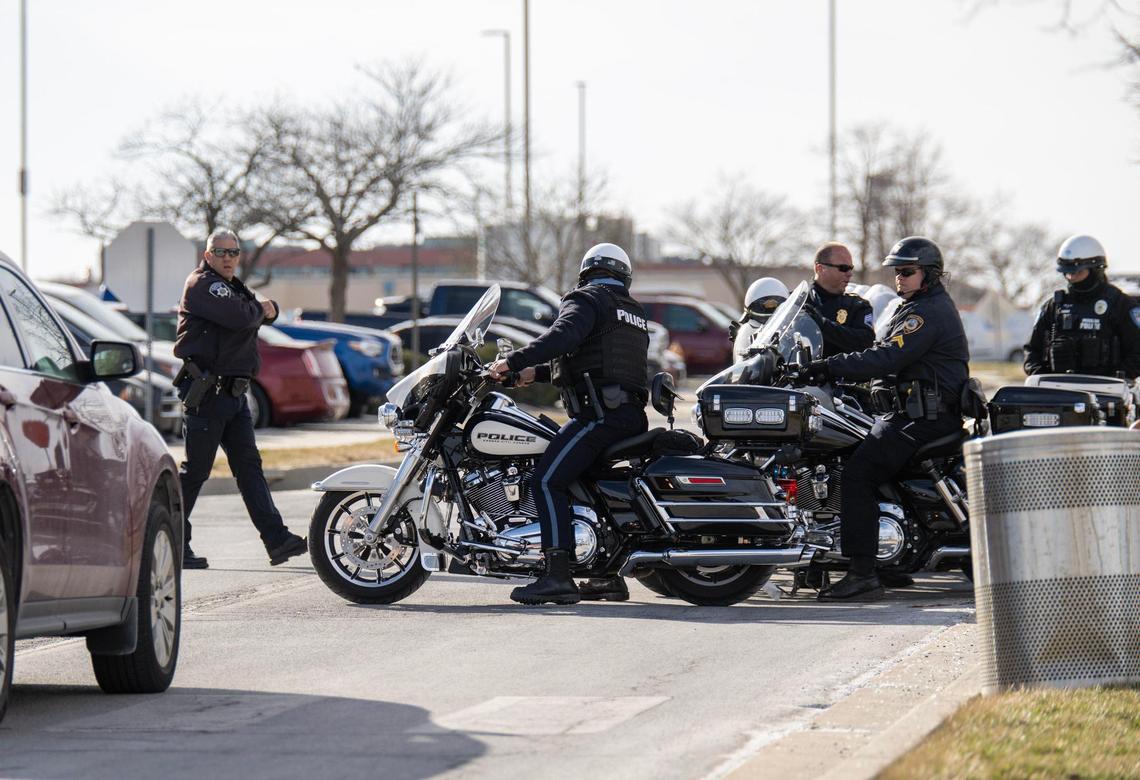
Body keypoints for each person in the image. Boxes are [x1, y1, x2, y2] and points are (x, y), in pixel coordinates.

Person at [801, 237, 969, 601]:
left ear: (929, 274)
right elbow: (882, 356)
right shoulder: (917, 306)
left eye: (907, 272)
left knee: (859, 473)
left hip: (923, 419)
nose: (899, 278)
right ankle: (886, 561)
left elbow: (886, 357)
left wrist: (825, 367)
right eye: (897, 272)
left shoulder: (926, 312)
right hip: (912, 414)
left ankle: (863, 573)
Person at [488, 243, 650, 605]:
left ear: (586, 271)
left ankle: (557, 576)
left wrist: (511, 361)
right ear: (623, 276)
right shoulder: (630, 311)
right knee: (585, 485)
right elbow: (591, 361)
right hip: (627, 415)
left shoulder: (588, 298)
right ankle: (606, 574)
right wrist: (536, 372)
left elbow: (563, 337)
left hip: (600, 416)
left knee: (546, 479)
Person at [173, 228, 308, 570]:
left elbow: (268, 311)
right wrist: (258, 310)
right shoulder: (204, 284)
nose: (229, 258)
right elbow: (243, 316)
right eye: (221, 252)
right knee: (195, 473)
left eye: (234, 252)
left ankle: (277, 540)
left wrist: (262, 309)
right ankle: (174, 542)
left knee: (250, 470)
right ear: (208, 255)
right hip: (207, 395)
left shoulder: (232, 286)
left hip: (234, 396)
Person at [1023, 234, 1140, 379]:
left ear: (1096, 269)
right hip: (1060, 391)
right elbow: (1032, 350)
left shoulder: (1121, 304)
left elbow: (1137, 352)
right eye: (1067, 272)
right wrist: (1043, 377)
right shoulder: (1055, 306)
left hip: (1109, 392)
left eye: (1078, 272)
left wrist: (1116, 379)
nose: (1071, 278)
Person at [807, 242, 875, 357]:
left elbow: (866, 342)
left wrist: (823, 325)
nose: (850, 274)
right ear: (820, 268)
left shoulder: (857, 305)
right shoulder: (797, 301)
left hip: (837, 373)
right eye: (843, 268)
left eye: (851, 268)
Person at [729, 277, 789, 361]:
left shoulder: (792, 331)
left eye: (776, 305)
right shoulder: (748, 332)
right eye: (765, 305)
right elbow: (743, 364)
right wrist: (742, 342)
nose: (771, 307)